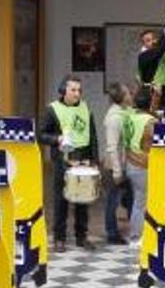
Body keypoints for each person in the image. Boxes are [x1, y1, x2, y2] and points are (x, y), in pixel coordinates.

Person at [39, 74, 99, 252]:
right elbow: (41, 134)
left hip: (83, 159)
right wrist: (57, 138)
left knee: (83, 199)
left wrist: (94, 159)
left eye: (79, 90)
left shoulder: (86, 109)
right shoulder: (52, 109)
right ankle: (59, 238)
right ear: (63, 90)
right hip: (63, 161)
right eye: (73, 89)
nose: (77, 93)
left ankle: (82, 236)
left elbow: (93, 136)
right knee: (61, 200)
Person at [101, 83, 134, 246]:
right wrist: (116, 172)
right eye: (128, 92)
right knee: (112, 201)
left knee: (129, 198)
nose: (131, 94)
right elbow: (112, 147)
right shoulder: (114, 118)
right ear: (121, 97)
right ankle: (112, 233)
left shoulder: (125, 112)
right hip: (114, 166)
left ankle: (133, 230)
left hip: (126, 164)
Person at [122, 87, 155, 244]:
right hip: (142, 164)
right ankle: (136, 237)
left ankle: (138, 234)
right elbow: (155, 140)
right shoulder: (149, 121)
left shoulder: (129, 117)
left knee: (137, 200)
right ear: (149, 104)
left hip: (130, 162)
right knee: (140, 203)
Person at [137, 29, 165, 113]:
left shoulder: (164, 52)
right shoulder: (143, 56)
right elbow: (138, 78)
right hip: (152, 91)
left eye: (153, 39)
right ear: (144, 44)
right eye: (148, 41)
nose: (152, 42)